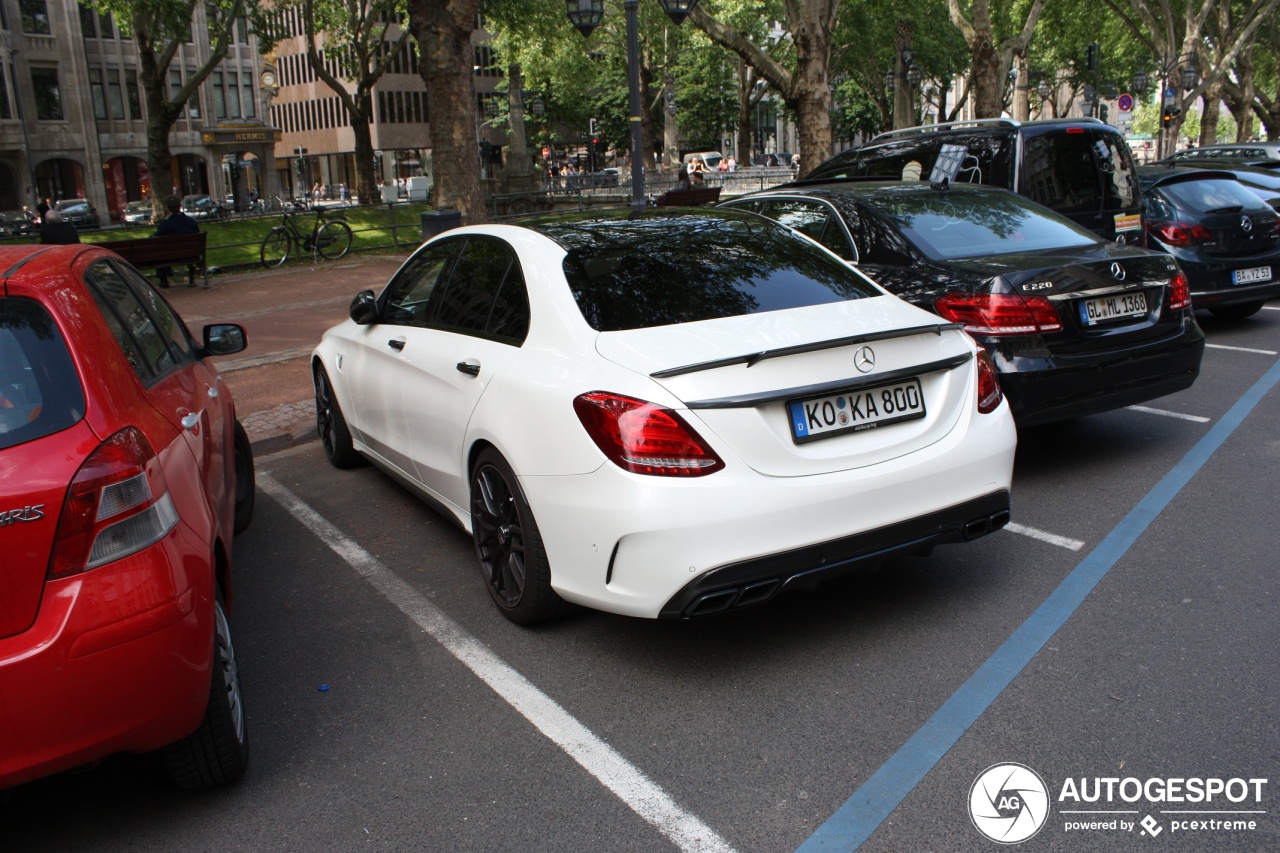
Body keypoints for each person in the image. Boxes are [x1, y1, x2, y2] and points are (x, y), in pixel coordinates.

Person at [152, 194, 201, 288]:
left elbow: (157, 236)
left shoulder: (166, 224)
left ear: (167, 208)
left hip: (170, 257)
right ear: (180, 206)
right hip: (191, 255)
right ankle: (191, 279)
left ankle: (164, 281)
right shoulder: (191, 221)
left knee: (159, 253)